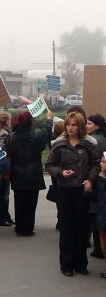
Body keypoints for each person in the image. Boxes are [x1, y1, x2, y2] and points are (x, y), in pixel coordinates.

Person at [45, 112, 100, 277]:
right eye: (68, 124)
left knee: (82, 228)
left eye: (74, 125)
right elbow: (49, 165)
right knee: (66, 226)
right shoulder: (59, 144)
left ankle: (81, 263)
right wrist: (61, 172)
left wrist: (90, 179)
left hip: (82, 191)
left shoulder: (88, 144)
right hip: (65, 190)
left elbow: (96, 164)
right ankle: (66, 264)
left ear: (80, 126)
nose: (70, 128)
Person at [8, 109, 53, 237]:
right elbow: (47, 133)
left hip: (17, 171)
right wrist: (49, 119)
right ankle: (28, 228)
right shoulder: (37, 136)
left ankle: (19, 227)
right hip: (33, 171)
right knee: (31, 202)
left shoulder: (11, 137)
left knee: (19, 200)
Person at [85, 114, 106, 259]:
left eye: (90, 123)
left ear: (97, 126)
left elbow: (91, 163)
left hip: (97, 181)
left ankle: (99, 249)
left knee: (96, 216)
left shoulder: (94, 142)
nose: (86, 126)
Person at [0, 112, 14, 226]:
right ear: (7, 121)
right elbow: (3, 151)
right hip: (3, 167)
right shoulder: (4, 134)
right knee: (4, 193)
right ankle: (1, 217)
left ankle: (5, 215)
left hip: (0, 167)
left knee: (4, 192)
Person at [95, 153, 106, 278]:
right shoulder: (100, 178)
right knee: (103, 243)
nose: (100, 164)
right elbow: (96, 197)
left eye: (103, 162)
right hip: (102, 216)